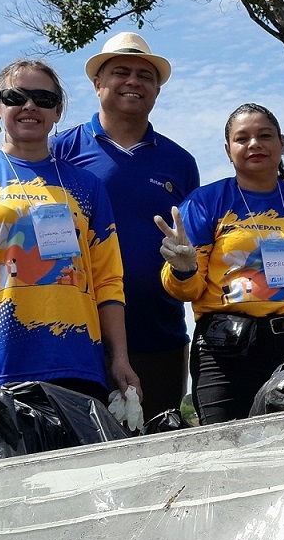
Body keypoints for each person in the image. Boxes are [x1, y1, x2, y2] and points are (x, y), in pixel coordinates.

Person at [0, 61, 136, 401]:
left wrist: (120, 357)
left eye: (43, 99)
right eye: (16, 97)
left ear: (57, 111)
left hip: (77, 362)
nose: (29, 106)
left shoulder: (87, 186)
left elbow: (108, 280)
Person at [52, 31, 200, 416]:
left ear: (157, 91)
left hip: (160, 335)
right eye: (121, 72)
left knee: (161, 442)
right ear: (97, 83)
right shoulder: (59, 152)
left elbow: (191, 248)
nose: (133, 81)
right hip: (76, 337)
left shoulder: (180, 162)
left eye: (145, 75)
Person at [156, 104, 284, 423]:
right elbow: (186, 290)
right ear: (228, 149)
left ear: (281, 143)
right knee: (226, 445)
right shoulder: (206, 202)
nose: (254, 144)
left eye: (265, 136)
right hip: (225, 351)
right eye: (242, 138)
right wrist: (184, 269)